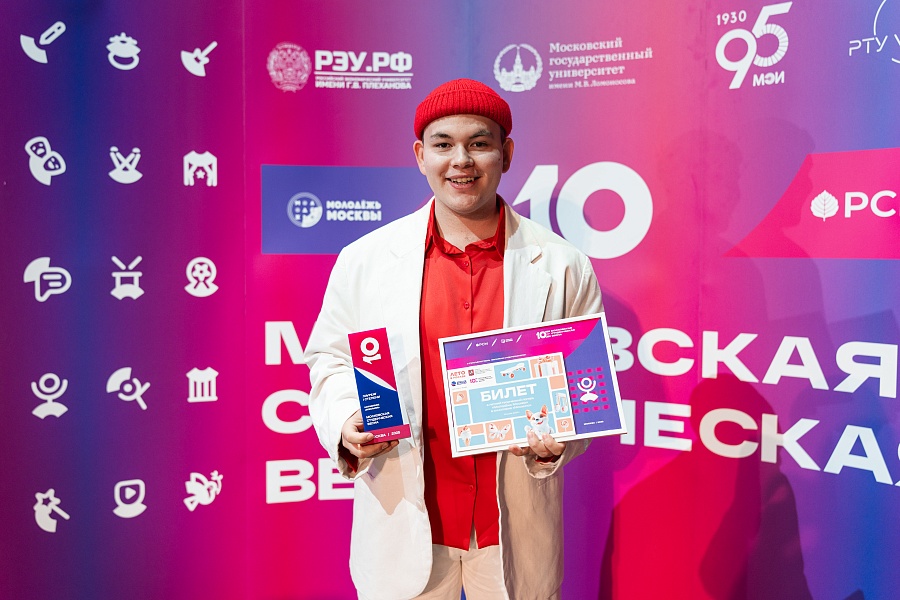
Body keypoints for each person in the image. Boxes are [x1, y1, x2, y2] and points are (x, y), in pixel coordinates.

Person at [304, 78, 603, 600]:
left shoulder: (563, 264)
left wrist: (558, 443)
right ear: (421, 156)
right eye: (443, 144)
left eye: (479, 143)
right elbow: (330, 359)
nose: (460, 160)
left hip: (511, 532)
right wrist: (347, 419)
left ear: (507, 153)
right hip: (406, 528)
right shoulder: (365, 260)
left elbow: (583, 389)